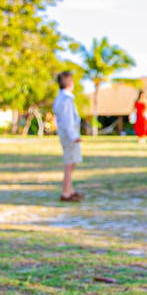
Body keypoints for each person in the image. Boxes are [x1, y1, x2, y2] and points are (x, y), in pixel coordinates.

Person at [52, 71, 84, 202]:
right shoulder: (66, 99)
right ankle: (66, 192)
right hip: (68, 133)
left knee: (71, 162)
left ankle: (69, 190)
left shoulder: (60, 98)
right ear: (70, 84)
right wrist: (74, 136)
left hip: (65, 133)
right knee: (69, 163)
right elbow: (68, 120)